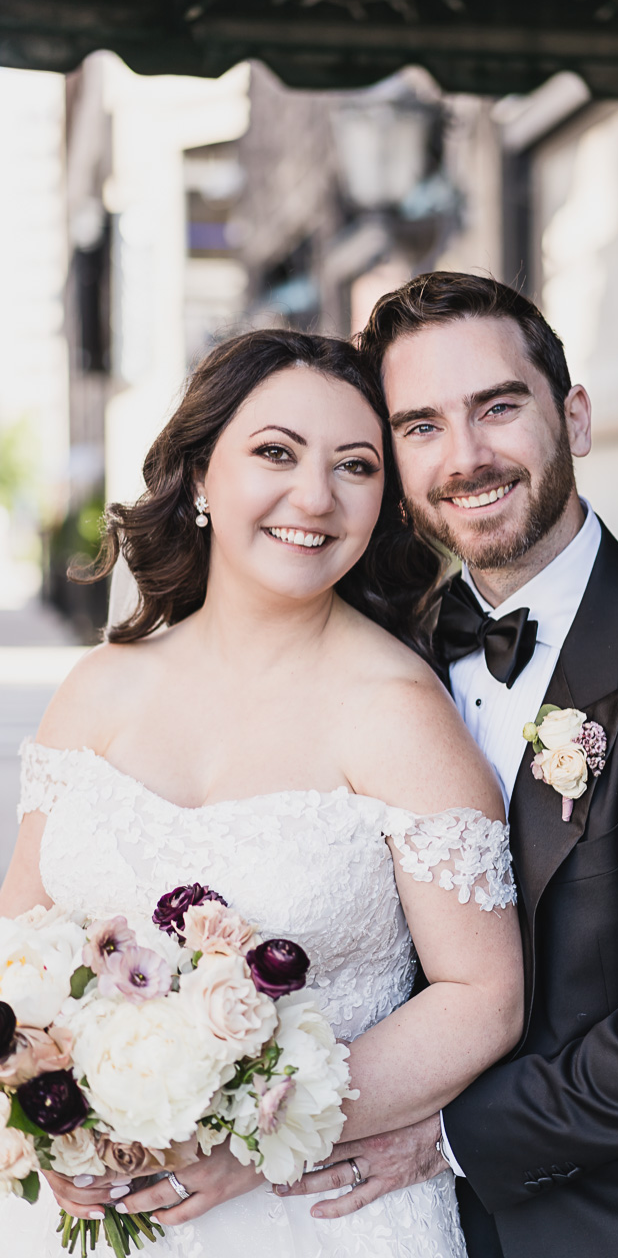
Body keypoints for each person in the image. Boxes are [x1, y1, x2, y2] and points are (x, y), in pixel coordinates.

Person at [287, 273, 618, 1258]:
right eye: (422, 426)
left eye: (496, 407)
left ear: (570, 417)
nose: (467, 457)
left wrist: (444, 1138)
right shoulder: (382, 657)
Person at [0, 328, 524, 1258]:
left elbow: (483, 994)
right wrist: (45, 1120)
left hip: (315, 1219)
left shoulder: (400, 714)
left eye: (355, 467)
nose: (313, 497)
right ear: (201, 475)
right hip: (81, 1209)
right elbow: (16, 953)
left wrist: (263, 1139)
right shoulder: (100, 688)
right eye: (275, 453)